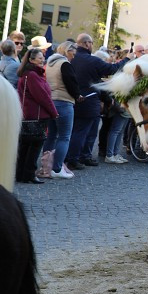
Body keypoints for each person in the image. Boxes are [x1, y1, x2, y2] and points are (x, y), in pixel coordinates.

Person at [65, 33, 121, 170]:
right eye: (91, 42)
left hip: (77, 100)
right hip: (88, 101)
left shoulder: (73, 59)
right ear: (86, 44)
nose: (92, 45)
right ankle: (73, 158)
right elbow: (112, 69)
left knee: (81, 131)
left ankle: (82, 156)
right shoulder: (91, 60)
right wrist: (128, 59)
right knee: (81, 132)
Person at [16, 47, 58, 184]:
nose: (42, 60)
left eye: (42, 57)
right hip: (36, 115)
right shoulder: (33, 75)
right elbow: (42, 97)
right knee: (34, 146)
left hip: (29, 114)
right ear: (31, 60)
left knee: (26, 146)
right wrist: (53, 112)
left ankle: (21, 174)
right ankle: (28, 174)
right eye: (40, 58)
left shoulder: (28, 73)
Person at [42, 40, 81, 179]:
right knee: (64, 137)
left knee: (51, 135)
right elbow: (71, 84)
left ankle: (45, 166)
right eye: (73, 53)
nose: (74, 56)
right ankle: (57, 168)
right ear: (67, 51)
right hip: (64, 102)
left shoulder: (49, 63)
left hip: (51, 101)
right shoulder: (65, 64)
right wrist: (78, 96)